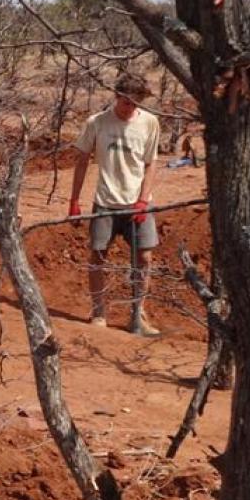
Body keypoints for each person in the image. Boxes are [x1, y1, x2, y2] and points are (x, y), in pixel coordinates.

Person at [68, 72, 163, 337]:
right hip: (106, 202)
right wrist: (74, 201)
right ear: (116, 97)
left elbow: (151, 163)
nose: (130, 108)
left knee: (144, 257)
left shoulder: (150, 123)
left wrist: (144, 200)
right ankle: (98, 312)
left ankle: (138, 314)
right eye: (126, 102)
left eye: (136, 104)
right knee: (98, 256)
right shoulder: (97, 123)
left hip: (138, 203)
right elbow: (82, 159)